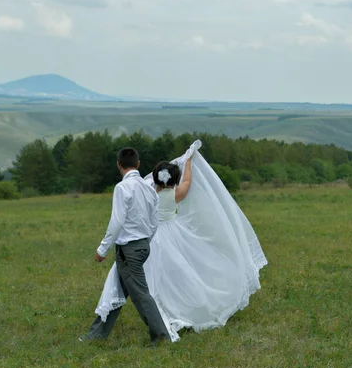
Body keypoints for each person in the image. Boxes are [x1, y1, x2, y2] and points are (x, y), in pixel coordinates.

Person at [94, 141, 267, 342]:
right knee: (179, 275)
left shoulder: (146, 189)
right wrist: (188, 161)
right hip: (173, 234)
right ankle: (176, 311)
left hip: (148, 237)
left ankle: (157, 319)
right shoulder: (176, 192)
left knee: (152, 280)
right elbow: (187, 181)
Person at [79, 147, 170, 346]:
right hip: (142, 246)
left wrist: (102, 249)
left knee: (140, 295)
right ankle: (97, 334)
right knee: (116, 290)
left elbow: (117, 222)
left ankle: (162, 336)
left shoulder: (123, 188)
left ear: (118, 165)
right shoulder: (149, 188)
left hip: (129, 249)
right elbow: (155, 222)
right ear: (138, 164)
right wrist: (145, 241)